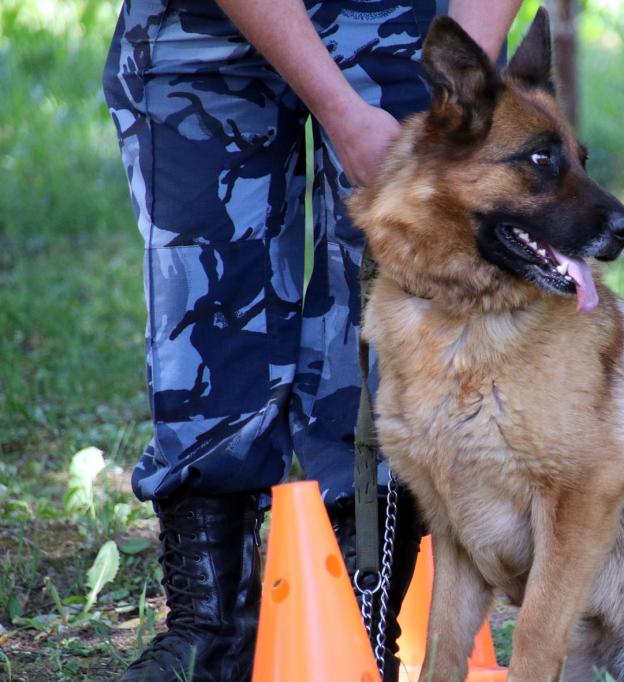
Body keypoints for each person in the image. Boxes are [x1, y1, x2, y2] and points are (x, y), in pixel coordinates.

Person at [101, 1, 522, 679]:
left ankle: (359, 623)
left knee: (391, 314)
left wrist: (454, 93)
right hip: (203, 26)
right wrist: (339, 111)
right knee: (204, 312)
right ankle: (212, 633)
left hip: (397, 21)